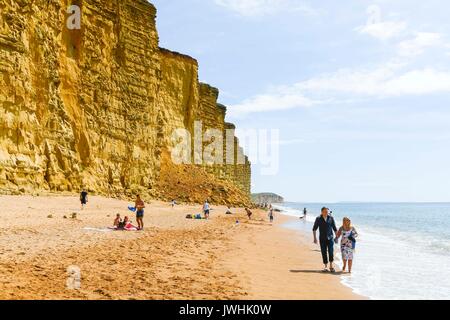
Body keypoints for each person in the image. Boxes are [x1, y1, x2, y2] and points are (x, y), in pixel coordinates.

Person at [313, 207, 338, 272]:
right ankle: (326, 267)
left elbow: (334, 228)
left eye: (327, 212)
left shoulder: (331, 218)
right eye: (325, 211)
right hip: (322, 238)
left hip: (330, 238)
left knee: (331, 251)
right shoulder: (318, 218)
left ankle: (331, 266)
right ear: (321, 212)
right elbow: (314, 229)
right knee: (323, 252)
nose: (326, 213)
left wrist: (336, 237)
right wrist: (315, 238)